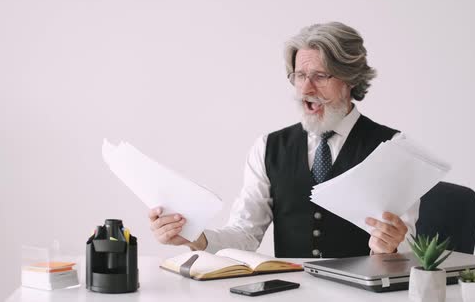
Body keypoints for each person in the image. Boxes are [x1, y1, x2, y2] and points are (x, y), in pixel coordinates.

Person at [148, 22, 419, 258]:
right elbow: (244, 234)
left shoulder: (392, 147)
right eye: (299, 76)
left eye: (320, 76)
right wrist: (196, 238)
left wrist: (391, 248)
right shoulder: (268, 147)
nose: (306, 89)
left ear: (350, 79)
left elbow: (408, 248)